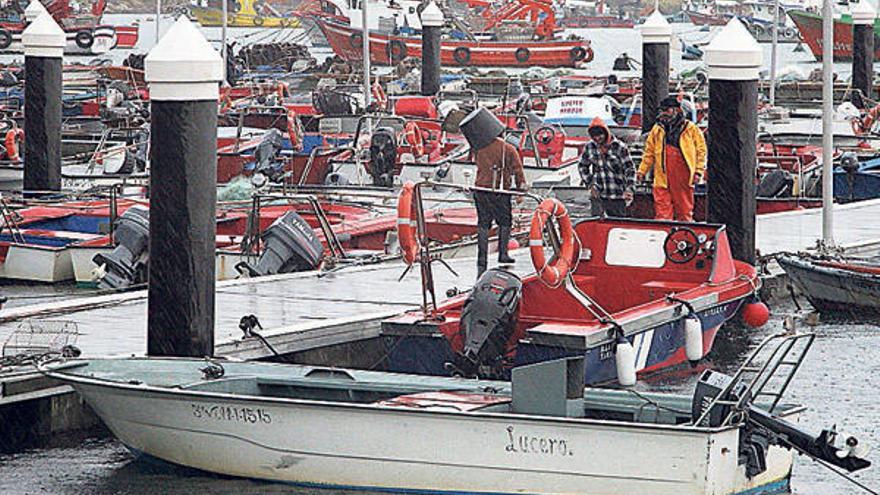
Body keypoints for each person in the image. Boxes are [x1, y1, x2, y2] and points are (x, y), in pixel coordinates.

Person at [637, 96, 706, 222]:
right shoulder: (657, 129)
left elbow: (701, 151)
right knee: (662, 214)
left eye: (666, 110)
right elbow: (649, 152)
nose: (663, 113)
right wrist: (642, 171)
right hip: (662, 177)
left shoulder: (691, 128)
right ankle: (664, 237)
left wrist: (698, 171)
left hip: (683, 176)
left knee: (684, 212)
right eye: (662, 110)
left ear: (676, 110)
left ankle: (685, 237)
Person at [474, 136, 527, 278]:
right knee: (505, 222)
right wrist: (521, 191)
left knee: (483, 224)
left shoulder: (479, 148)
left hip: (480, 189)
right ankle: (503, 254)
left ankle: (482, 259)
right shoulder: (508, 149)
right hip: (500, 191)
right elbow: (518, 170)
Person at [579, 117, 635, 217]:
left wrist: (629, 189)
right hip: (598, 196)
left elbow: (630, 169)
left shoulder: (620, 147)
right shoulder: (589, 147)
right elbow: (583, 166)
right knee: (597, 226)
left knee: (617, 226)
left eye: (600, 135)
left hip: (618, 196)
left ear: (606, 133)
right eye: (594, 136)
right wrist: (590, 184)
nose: (597, 138)